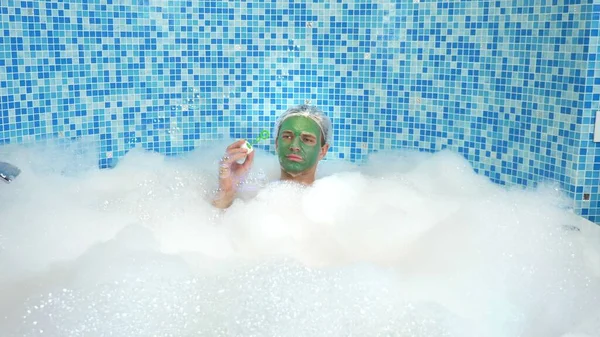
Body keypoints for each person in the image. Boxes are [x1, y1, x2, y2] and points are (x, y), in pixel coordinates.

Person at [211, 104, 332, 209]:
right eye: (287, 136)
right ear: (276, 144)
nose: (294, 146)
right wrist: (227, 193)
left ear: (322, 151)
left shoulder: (330, 204)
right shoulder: (257, 199)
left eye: (307, 139)